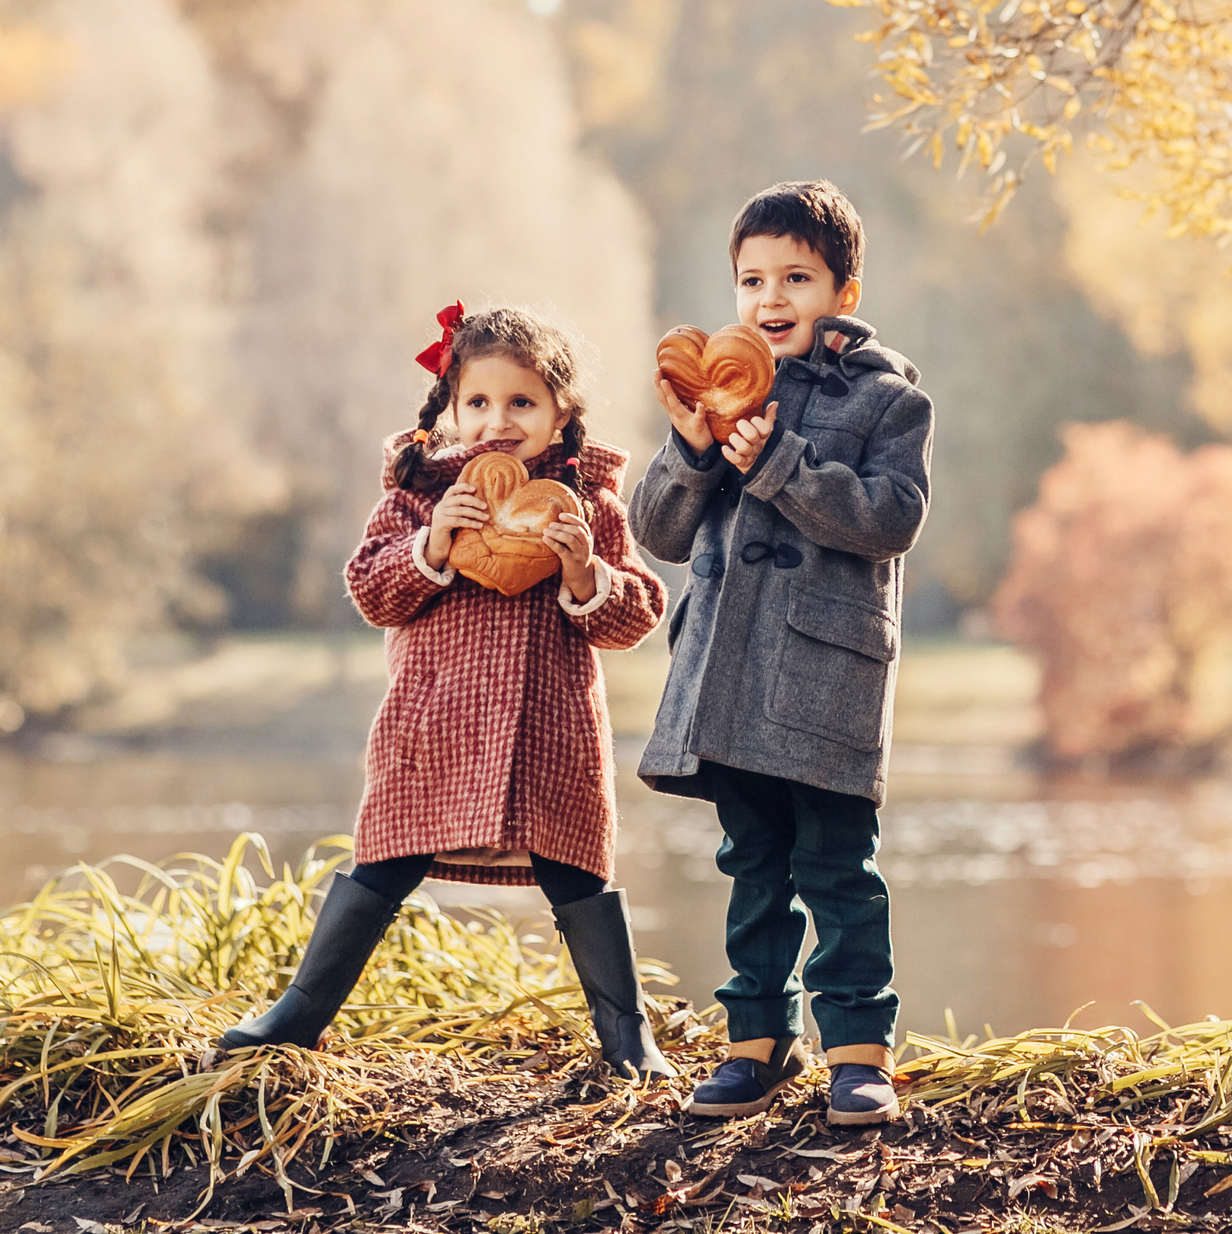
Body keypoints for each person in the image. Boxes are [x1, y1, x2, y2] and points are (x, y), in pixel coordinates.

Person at [219, 303, 675, 1079]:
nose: (500, 419)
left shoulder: (587, 506)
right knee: (385, 862)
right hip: (432, 726)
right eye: (479, 401)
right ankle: (299, 1010)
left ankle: (628, 1038)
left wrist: (584, 572)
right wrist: (430, 543)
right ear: (451, 407)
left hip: (548, 730)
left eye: (523, 402)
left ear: (561, 412)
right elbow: (370, 589)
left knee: (578, 872)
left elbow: (636, 614)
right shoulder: (422, 494)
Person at [630, 181, 935, 1127]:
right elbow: (658, 534)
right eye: (752, 278)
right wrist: (692, 452)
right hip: (726, 678)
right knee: (753, 865)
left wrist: (778, 466)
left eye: (796, 276)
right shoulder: (714, 397)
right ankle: (755, 1043)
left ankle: (857, 1053)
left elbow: (892, 519)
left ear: (843, 291)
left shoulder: (889, 400)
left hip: (822, 678)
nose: (772, 298)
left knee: (840, 871)